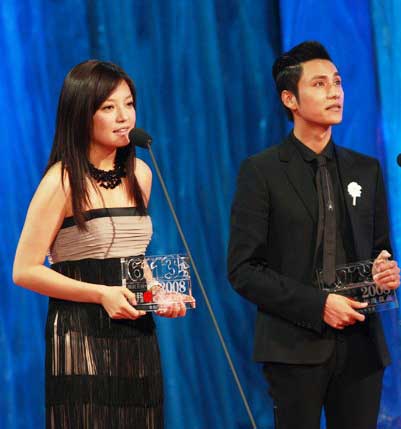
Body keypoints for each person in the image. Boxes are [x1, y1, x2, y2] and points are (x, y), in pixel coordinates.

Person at [227, 41, 400, 429]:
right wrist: (318, 305)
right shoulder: (261, 172)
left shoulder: (366, 169)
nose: (334, 92)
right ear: (290, 99)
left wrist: (385, 272)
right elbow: (243, 270)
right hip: (293, 347)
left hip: (361, 349)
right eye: (319, 84)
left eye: (337, 82)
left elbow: (380, 250)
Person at [13, 60, 187, 429]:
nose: (124, 116)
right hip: (80, 334)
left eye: (129, 104)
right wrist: (101, 294)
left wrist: (158, 294)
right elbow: (24, 271)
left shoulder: (140, 173)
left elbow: (133, 258)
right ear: (82, 115)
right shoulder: (62, 180)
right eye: (109, 107)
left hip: (135, 331)